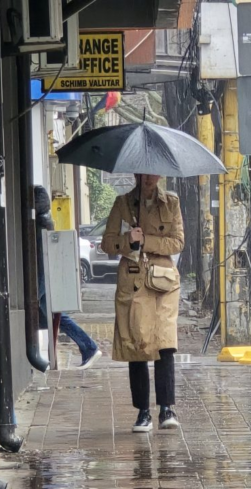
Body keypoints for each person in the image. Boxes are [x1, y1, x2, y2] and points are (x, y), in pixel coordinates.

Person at [101, 174, 184, 432]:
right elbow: (107, 243)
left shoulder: (171, 203)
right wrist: (128, 240)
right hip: (134, 279)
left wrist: (147, 240)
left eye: (154, 173)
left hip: (162, 282)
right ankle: (143, 412)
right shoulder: (122, 203)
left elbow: (177, 241)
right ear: (136, 175)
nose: (149, 178)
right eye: (144, 173)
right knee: (136, 343)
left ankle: (166, 408)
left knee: (164, 342)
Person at [34, 185, 102, 370]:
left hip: (40, 274)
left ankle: (88, 347)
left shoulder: (39, 221)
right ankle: (87, 347)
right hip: (44, 272)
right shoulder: (45, 219)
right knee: (54, 314)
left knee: (52, 313)